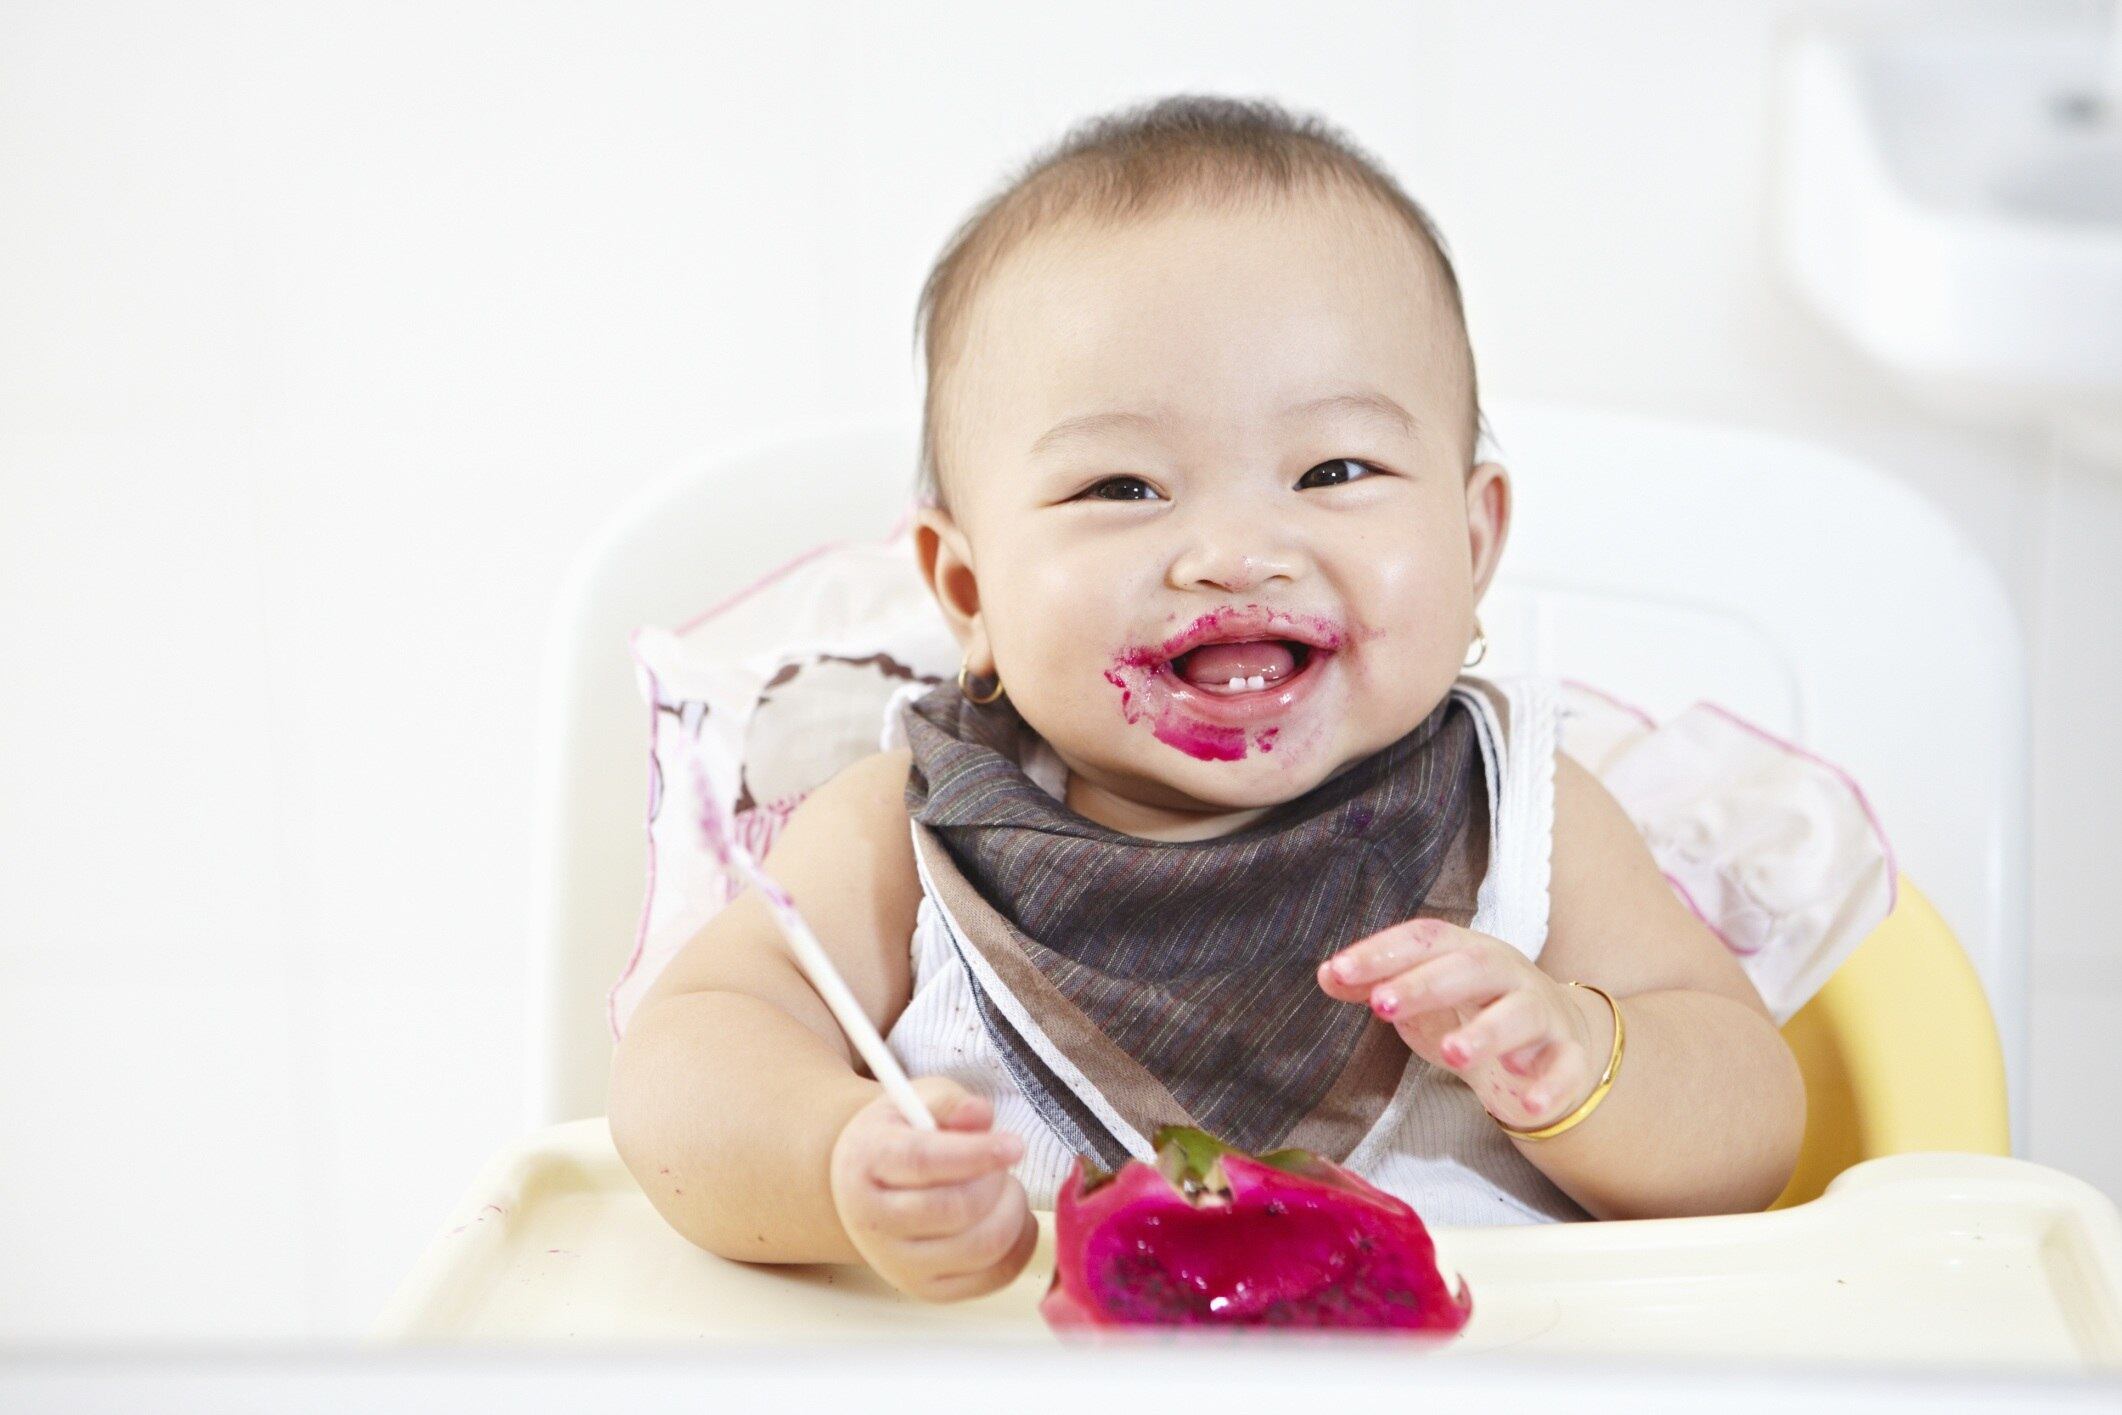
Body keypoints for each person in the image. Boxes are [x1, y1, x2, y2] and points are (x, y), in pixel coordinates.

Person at [609, 94, 1805, 1304]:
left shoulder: (1522, 817)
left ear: (1473, 534)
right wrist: (831, 1159)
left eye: (1334, 469)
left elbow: (1751, 1127)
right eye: (1123, 485)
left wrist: (1583, 1056)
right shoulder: (902, 837)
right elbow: (684, 1066)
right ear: (968, 589)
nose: (1236, 551)